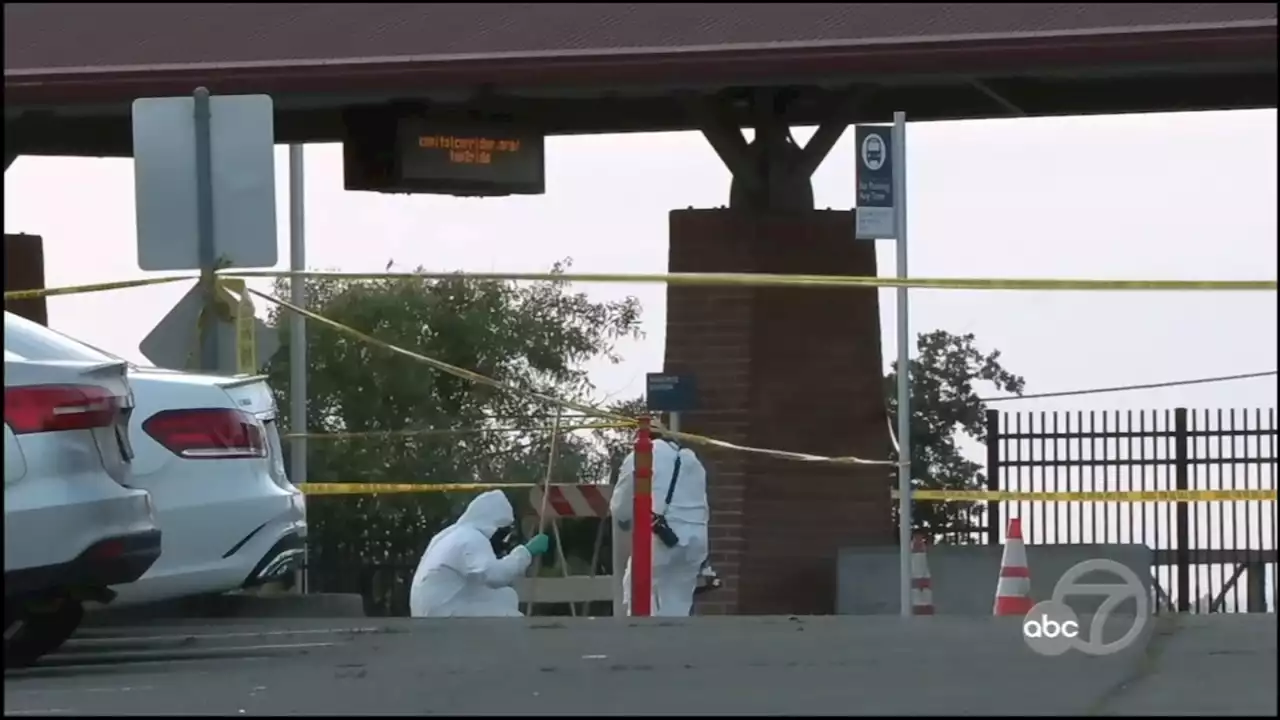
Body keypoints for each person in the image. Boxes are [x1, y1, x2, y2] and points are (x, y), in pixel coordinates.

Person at [610, 423, 710, 616]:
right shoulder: (693, 460)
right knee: (678, 603)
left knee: (640, 597)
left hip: (661, 537)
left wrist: (625, 521)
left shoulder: (642, 455)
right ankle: (673, 643)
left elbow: (620, 507)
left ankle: (646, 643)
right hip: (696, 542)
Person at [408, 490, 551, 617]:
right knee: (510, 618)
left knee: (506, 596)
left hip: (437, 604)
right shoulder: (471, 538)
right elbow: (495, 575)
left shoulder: (451, 534)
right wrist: (526, 551)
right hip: (443, 610)